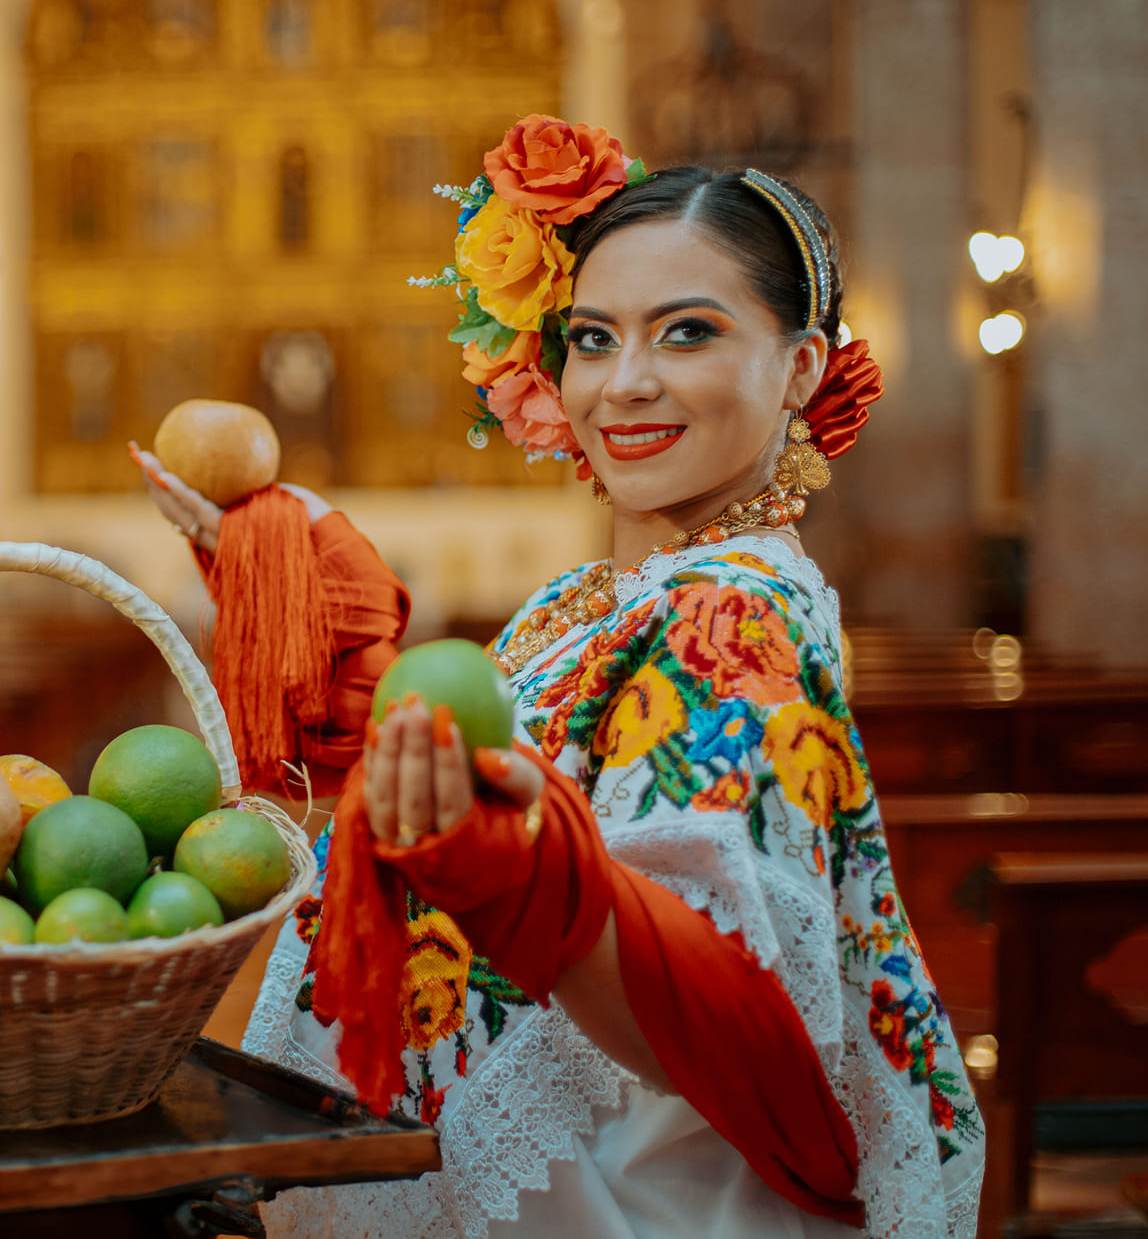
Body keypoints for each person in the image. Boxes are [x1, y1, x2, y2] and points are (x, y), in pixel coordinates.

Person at [133, 116, 983, 1238]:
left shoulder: (732, 613)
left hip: (629, 1198)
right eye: (592, 338)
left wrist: (523, 875)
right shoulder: (606, 593)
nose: (624, 383)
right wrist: (296, 587)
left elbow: (718, 996)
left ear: (801, 368)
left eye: (687, 332)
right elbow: (464, 771)